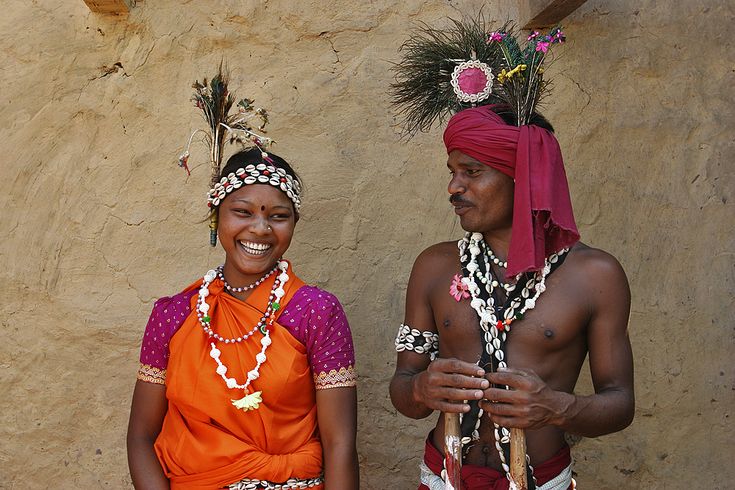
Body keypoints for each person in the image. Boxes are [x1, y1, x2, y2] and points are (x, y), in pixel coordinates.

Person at [390, 22, 634, 490]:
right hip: (442, 475)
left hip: (539, 479)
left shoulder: (594, 275)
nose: (454, 188)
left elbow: (620, 402)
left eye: (472, 172)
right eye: (452, 172)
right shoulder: (435, 267)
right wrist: (421, 389)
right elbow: (403, 385)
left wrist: (556, 406)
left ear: (524, 177)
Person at [127, 147, 359, 490]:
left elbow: (340, 444)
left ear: (294, 222)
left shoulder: (316, 312)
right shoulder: (173, 315)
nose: (260, 228)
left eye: (278, 216)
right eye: (242, 212)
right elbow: (141, 437)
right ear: (215, 216)